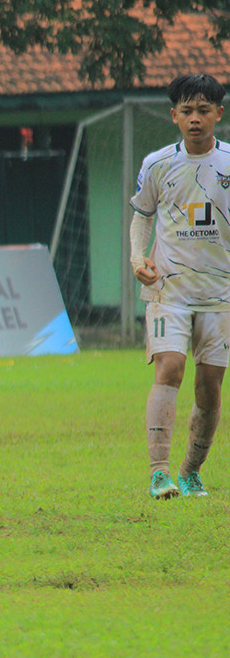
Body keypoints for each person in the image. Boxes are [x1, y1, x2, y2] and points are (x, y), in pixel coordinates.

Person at [129, 74, 229, 499]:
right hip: (169, 290)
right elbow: (142, 216)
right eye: (186, 110)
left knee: (210, 384)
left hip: (221, 294)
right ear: (173, 115)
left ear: (218, 114)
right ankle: (159, 472)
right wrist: (139, 258)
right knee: (170, 368)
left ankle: (190, 471)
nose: (194, 118)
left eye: (203, 110)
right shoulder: (157, 164)